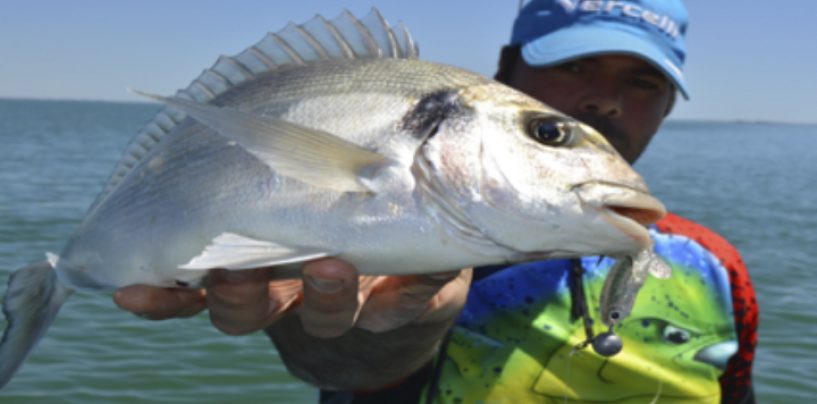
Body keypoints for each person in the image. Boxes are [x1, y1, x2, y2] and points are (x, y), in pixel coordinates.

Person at [115, 0, 758, 402]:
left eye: (642, 81)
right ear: (505, 72)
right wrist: (404, 322)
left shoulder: (713, 267)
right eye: (573, 68)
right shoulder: (382, 241)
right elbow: (340, 366)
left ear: (670, 106)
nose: (605, 100)